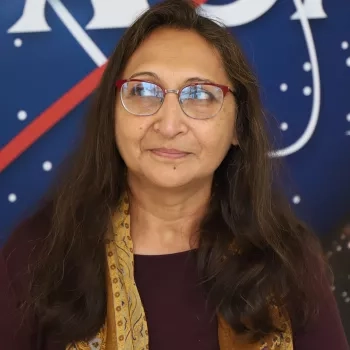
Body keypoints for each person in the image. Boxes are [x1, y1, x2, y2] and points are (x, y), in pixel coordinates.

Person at [0, 0, 348, 349]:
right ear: (111, 113)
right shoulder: (38, 253)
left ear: (238, 127)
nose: (168, 125)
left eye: (199, 95)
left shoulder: (287, 257)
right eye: (142, 91)